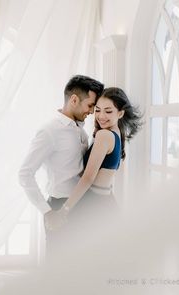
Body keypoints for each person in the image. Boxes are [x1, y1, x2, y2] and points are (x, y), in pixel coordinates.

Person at [18, 75, 104, 257]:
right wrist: (47, 212)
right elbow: (24, 174)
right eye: (90, 105)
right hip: (59, 209)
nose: (92, 112)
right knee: (58, 270)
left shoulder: (79, 128)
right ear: (74, 99)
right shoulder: (50, 131)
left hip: (81, 206)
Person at [46, 87, 142, 234]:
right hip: (106, 202)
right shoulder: (117, 133)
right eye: (97, 110)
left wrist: (64, 210)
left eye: (108, 111)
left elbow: (88, 178)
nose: (101, 116)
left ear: (121, 113)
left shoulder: (104, 135)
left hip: (94, 204)